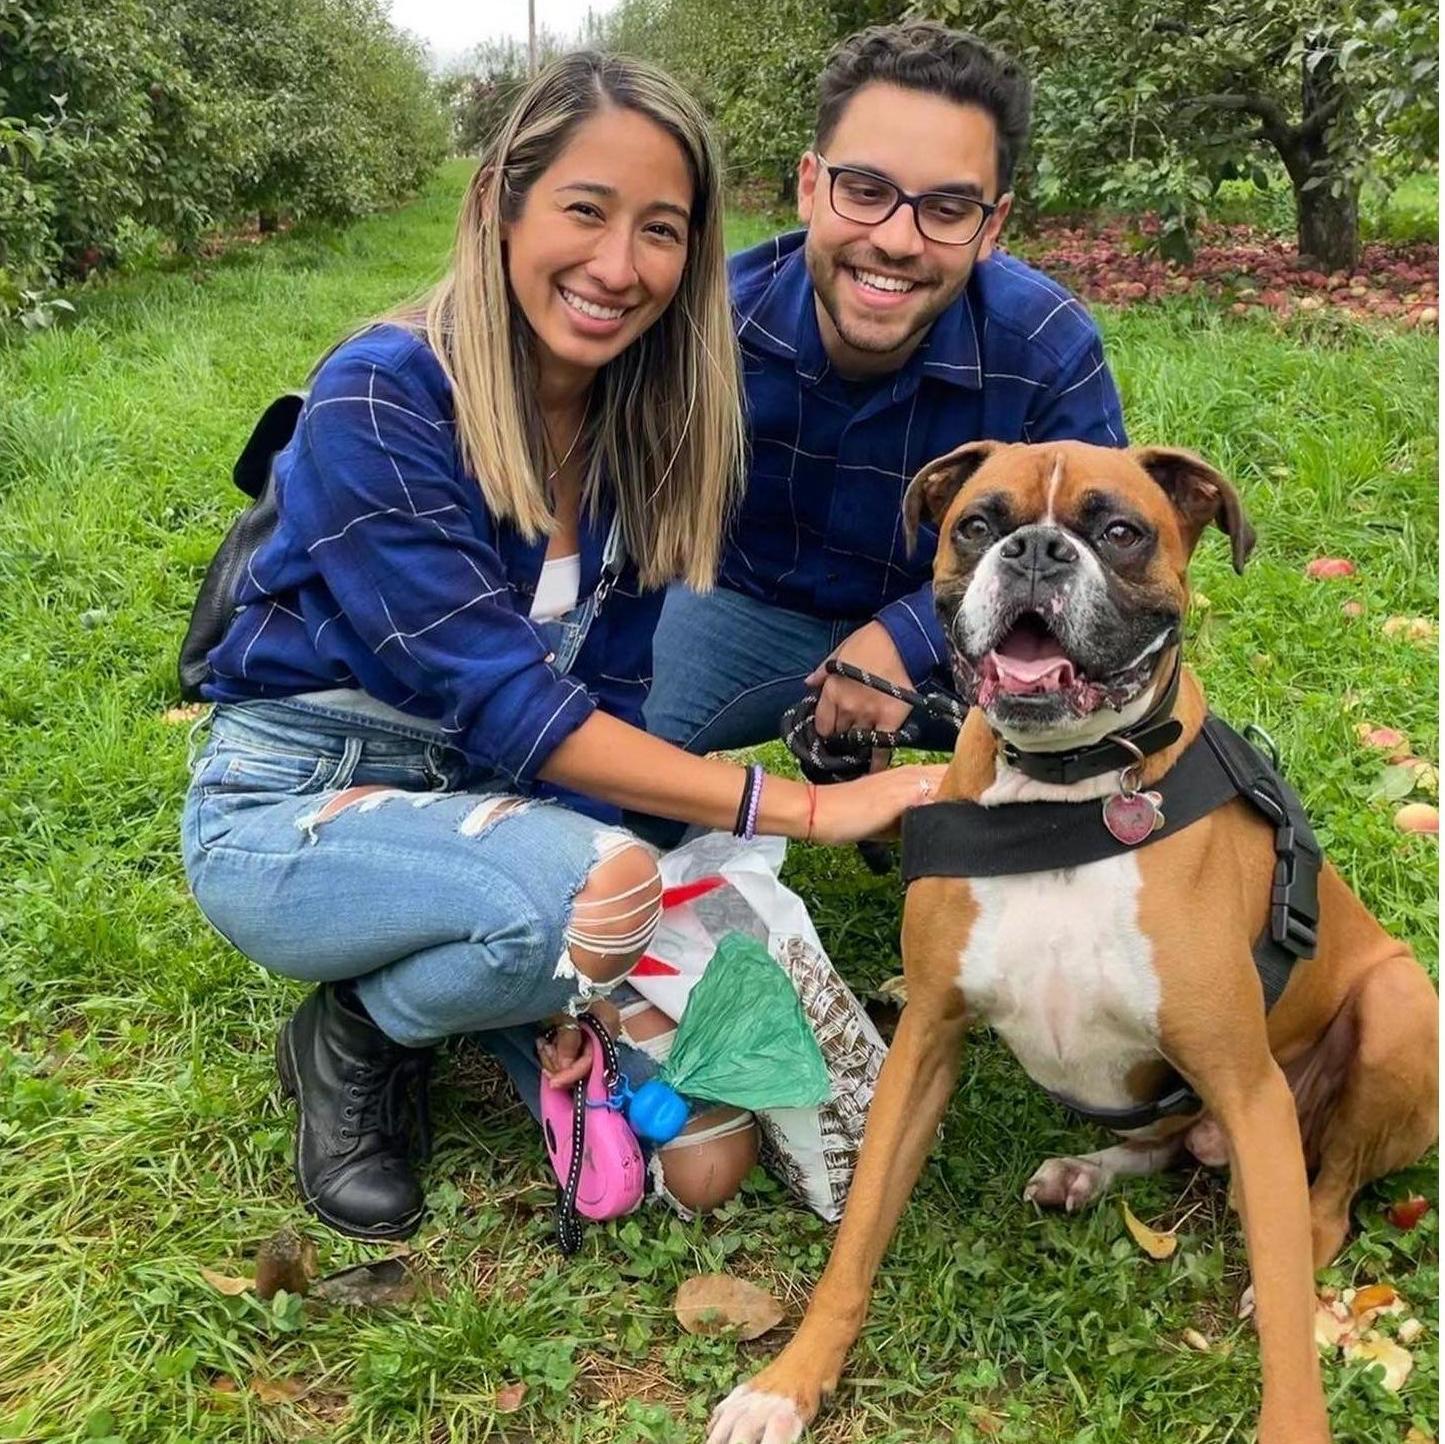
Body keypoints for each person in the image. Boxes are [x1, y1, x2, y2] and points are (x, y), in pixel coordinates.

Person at [179, 51, 944, 1242]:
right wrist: (794, 808)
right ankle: (360, 1034)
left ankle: (502, 977)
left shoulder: (636, 420)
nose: (617, 266)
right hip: (293, 804)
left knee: (672, 1030)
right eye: (583, 210)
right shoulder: (381, 395)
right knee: (582, 906)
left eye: (660, 230)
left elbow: (609, 688)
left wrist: (687, 884)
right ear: (497, 200)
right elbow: (516, 710)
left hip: (484, 795)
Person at [643, 21, 1127, 778]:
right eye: (864, 191)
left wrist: (904, 638)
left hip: (976, 620)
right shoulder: (711, 328)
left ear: (991, 226)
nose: (898, 241)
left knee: (1094, 775)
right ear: (810, 186)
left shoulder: (1042, 346)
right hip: (745, 609)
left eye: (945, 210)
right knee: (616, 782)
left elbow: (1097, 545)